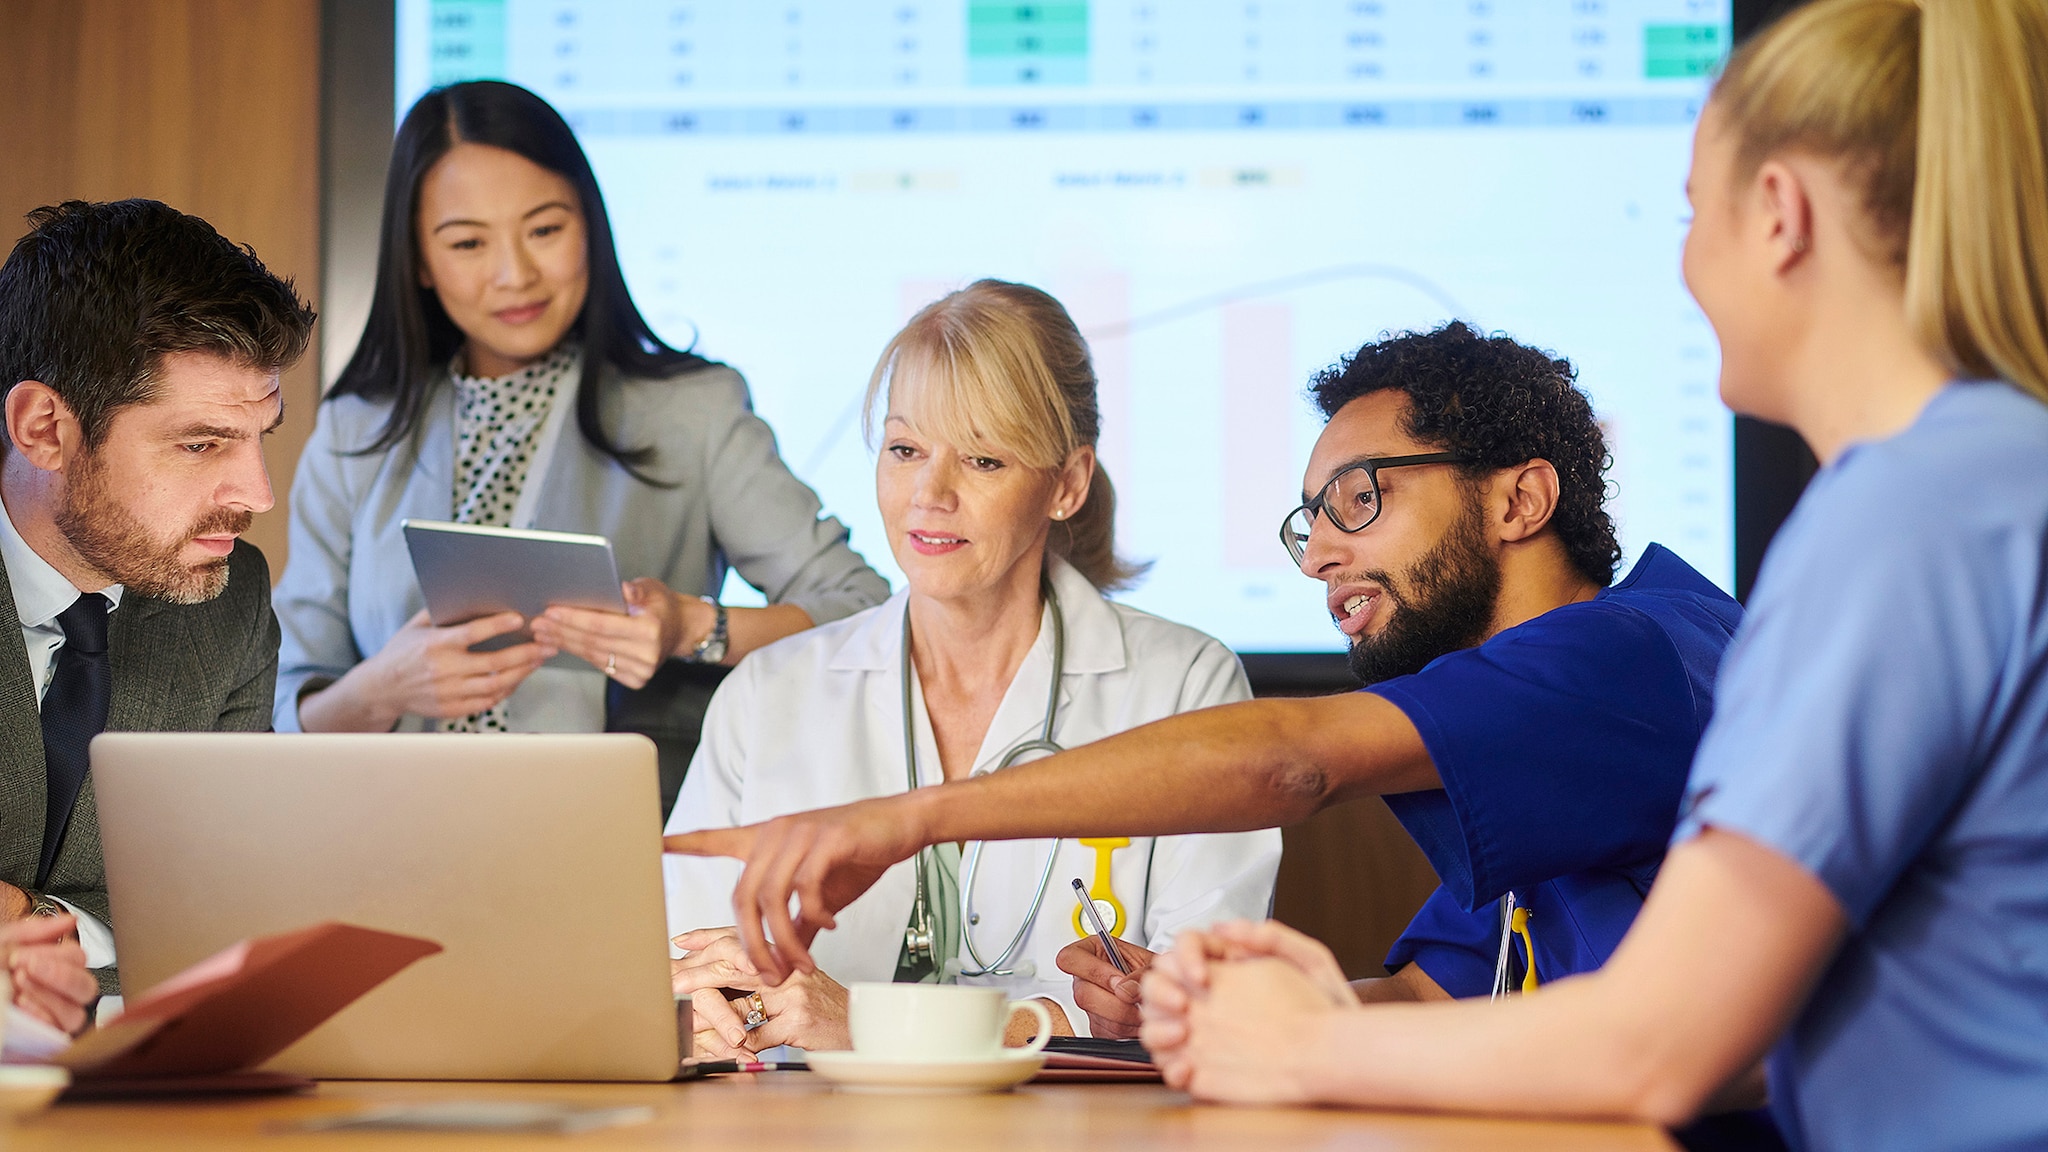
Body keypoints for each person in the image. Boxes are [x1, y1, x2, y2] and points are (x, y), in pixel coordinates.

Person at [1124, 2, 2048, 1148]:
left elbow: (1666, 1041)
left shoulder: (1898, 521)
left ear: (1775, 216)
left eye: (1687, 213)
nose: (1681, 261)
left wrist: (1295, 1043)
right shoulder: (1988, 480)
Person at [667, 315, 1759, 1108]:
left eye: (1360, 500)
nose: (1321, 550)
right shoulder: (1543, 740)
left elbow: (1296, 762)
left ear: (1518, 499)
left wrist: (909, 818)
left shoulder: (1634, 654)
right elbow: (1430, 998)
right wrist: (1176, 1018)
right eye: (1309, 519)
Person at [662, 280, 1280, 1054]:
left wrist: (865, 1026)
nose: (929, 494)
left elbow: (1200, 1011)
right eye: (904, 449)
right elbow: (683, 972)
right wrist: (720, 1016)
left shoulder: (1187, 685)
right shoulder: (766, 695)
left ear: (1067, 484)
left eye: (983, 458)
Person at [274, 81, 887, 808]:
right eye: (469, 242)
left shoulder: (692, 410)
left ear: (590, 227)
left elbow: (862, 605)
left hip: (623, 839)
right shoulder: (357, 431)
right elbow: (282, 707)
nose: (515, 274)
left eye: (545, 229)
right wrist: (381, 689)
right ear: (418, 262)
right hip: (388, 842)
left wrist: (694, 625)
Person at [0, 198, 315, 998]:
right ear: (45, 428)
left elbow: (222, 907)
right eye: (201, 444)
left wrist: (44, 928)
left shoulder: (229, 600)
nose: (257, 496)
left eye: (260, 437)